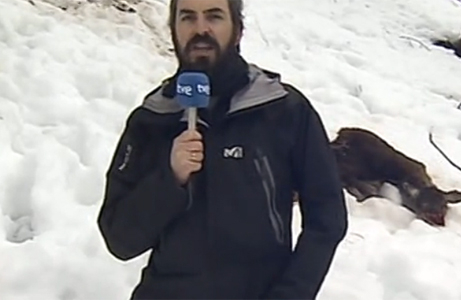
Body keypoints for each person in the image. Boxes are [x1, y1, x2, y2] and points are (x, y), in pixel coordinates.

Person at [96, 0, 348, 299]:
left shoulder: (283, 110)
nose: (200, 29)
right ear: (173, 30)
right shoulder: (151, 119)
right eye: (187, 18)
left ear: (237, 30)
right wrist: (170, 179)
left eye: (214, 17)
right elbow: (119, 239)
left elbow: (327, 218)